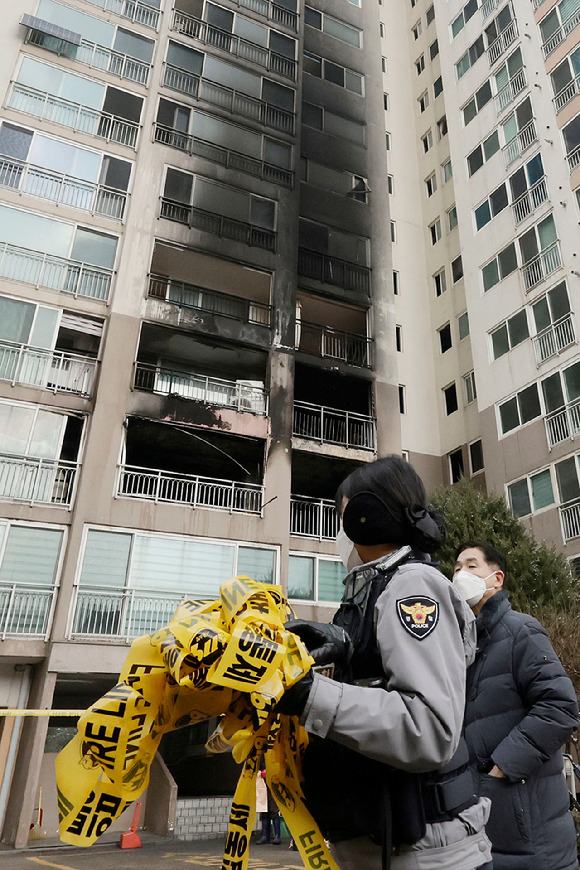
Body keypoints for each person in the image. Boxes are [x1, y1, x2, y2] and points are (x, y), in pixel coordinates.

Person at [280, 456, 492, 870]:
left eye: (342, 516)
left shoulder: (411, 585)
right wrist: (346, 650)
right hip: (392, 847)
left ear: (365, 517)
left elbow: (429, 727)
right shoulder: (377, 586)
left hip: (426, 854)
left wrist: (312, 696)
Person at [453, 541, 579, 870]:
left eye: (470, 566)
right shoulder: (463, 647)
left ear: (496, 579)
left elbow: (560, 707)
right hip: (484, 832)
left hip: (533, 837)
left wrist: (500, 770)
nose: (459, 574)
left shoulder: (520, 630)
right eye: (455, 568)